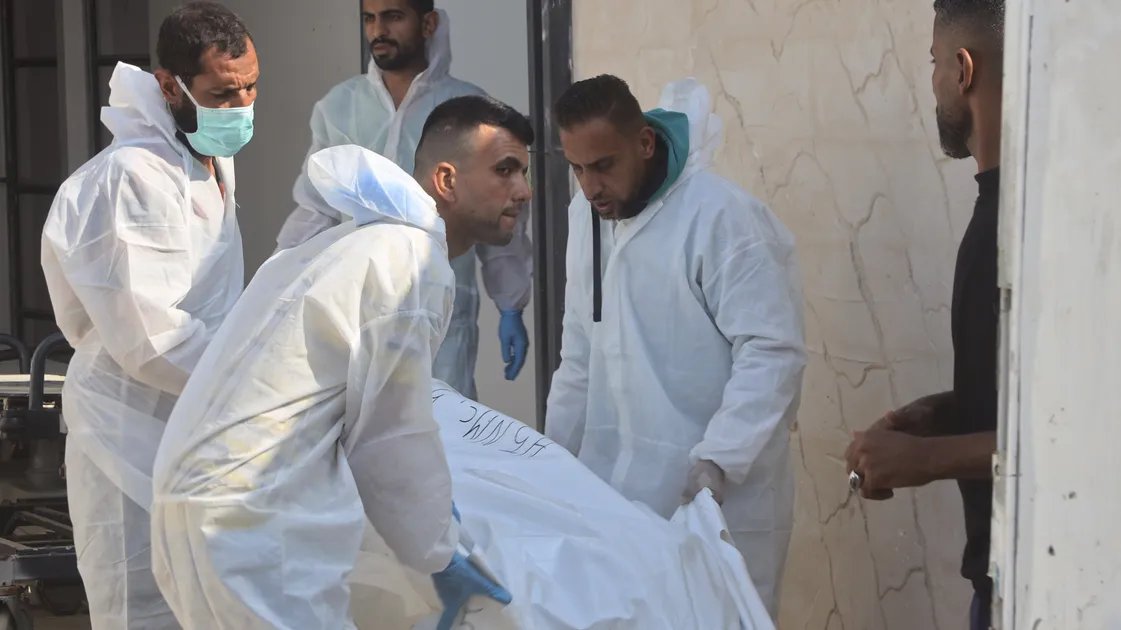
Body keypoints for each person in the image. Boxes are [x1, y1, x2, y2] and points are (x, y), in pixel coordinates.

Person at [151, 94, 533, 629]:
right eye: (505, 170)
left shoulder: (350, 242)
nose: (524, 191)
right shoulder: (411, 260)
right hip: (252, 524)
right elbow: (389, 438)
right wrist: (441, 555)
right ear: (446, 180)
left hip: (194, 506)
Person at [544, 75, 806, 619]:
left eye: (604, 165)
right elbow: (578, 353)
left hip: (716, 498)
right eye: (576, 168)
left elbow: (771, 350)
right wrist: (549, 462)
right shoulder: (587, 215)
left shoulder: (721, 219)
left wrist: (718, 459)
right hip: (613, 492)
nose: (590, 186)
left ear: (644, 143)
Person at [39, 3, 256, 627]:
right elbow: (153, 340)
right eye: (222, 92)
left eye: (250, 86)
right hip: (127, 424)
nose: (241, 104)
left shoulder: (203, 157)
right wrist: (264, 379)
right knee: (144, 607)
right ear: (170, 84)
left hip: (190, 422)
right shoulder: (129, 179)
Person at [275, 0, 533, 398]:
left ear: (428, 23)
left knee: (443, 429)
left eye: (393, 16)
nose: (378, 29)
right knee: (359, 430)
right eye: (369, 18)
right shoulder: (340, 108)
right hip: (356, 305)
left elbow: (496, 210)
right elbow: (315, 208)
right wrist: (279, 281)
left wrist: (511, 303)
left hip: (441, 306)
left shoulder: (466, 111)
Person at [844, 2, 1004, 629]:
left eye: (935, 63)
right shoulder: (995, 215)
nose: (932, 80)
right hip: (991, 574)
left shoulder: (1029, 233)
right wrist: (941, 414)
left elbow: (1075, 439)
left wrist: (926, 462)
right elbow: (1024, 398)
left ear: (963, 70)